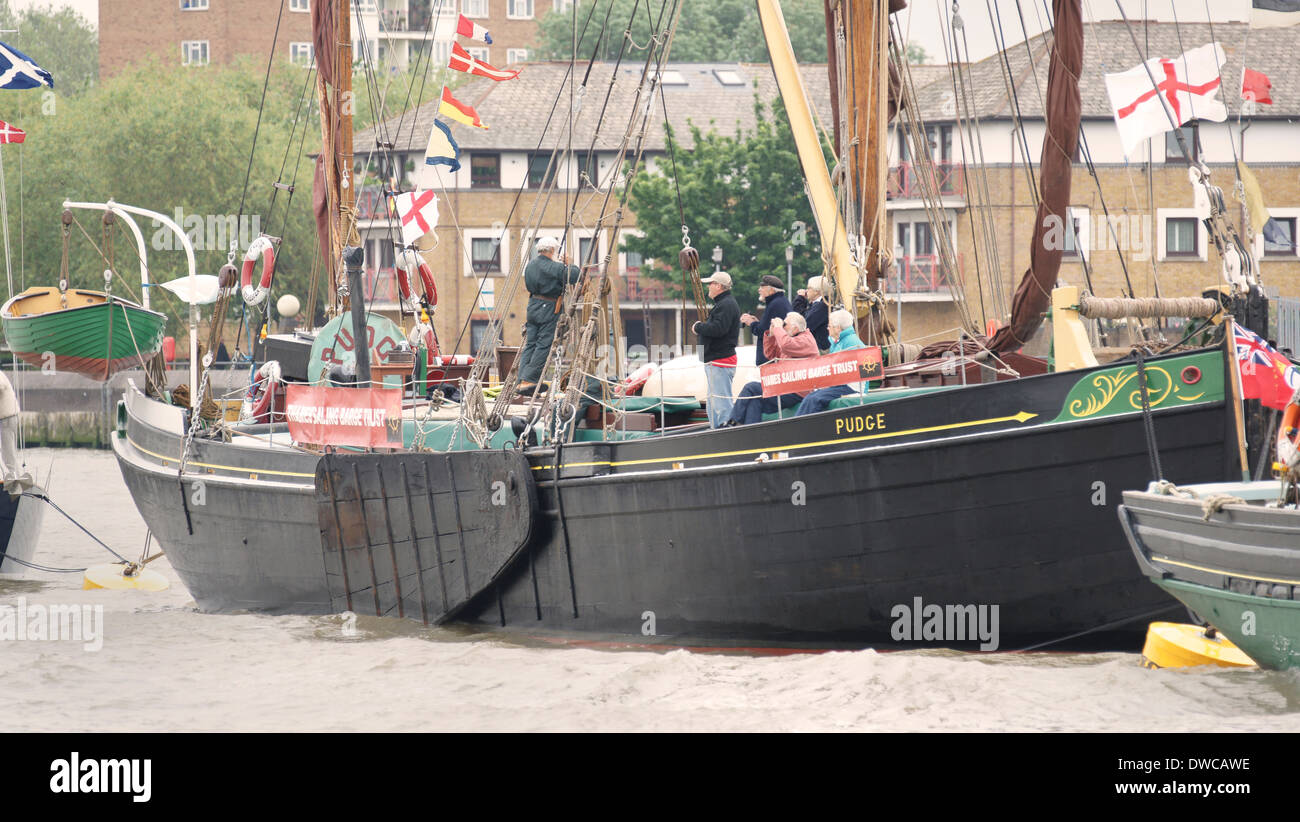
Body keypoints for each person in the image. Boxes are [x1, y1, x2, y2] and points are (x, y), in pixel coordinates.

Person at [726, 311, 818, 426]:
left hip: (797, 391)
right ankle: (751, 434)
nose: (783, 328)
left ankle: (732, 421)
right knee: (754, 401)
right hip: (785, 387)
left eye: (785, 325)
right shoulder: (791, 339)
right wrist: (771, 334)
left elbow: (786, 345)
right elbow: (770, 354)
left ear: (795, 328)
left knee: (750, 387)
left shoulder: (806, 340)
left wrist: (779, 328)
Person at [517, 236, 581, 394]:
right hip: (549, 308)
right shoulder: (554, 267)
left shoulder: (530, 266)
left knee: (530, 344)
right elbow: (575, 275)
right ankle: (529, 379)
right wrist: (568, 262)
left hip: (533, 306)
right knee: (543, 344)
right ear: (552, 250)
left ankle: (520, 380)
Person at [691, 271, 741, 428]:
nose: (708, 288)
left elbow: (719, 329)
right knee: (713, 402)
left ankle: (726, 434)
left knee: (721, 402)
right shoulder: (724, 304)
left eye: (710, 284)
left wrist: (698, 327)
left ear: (719, 286)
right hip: (716, 361)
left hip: (720, 361)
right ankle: (716, 431)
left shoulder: (726, 305)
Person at [796, 308, 867, 416]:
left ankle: (799, 429)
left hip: (852, 387)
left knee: (814, 399)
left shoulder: (852, 343)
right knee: (811, 397)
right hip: (842, 384)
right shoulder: (840, 342)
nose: (827, 328)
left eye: (829, 326)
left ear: (838, 328)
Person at [739, 275, 792, 366]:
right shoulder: (780, 301)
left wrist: (751, 323)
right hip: (776, 357)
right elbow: (769, 327)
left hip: (771, 359)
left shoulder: (774, 304)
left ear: (771, 290)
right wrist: (757, 322)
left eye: (762, 287)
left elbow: (763, 331)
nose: (759, 290)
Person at [793, 275, 830, 353]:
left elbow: (804, 324)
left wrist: (799, 299)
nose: (806, 291)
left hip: (820, 349)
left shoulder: (822, 306)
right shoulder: (818, 305)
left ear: (817, 291)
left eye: (809, 288)